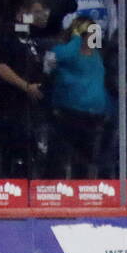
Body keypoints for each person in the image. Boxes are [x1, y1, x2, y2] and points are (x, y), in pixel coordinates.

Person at [0, 0, 49, 178]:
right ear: (21, 14)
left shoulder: (33, 38)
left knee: (31, 152)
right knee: (12, 151)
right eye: (36, 12)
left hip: (31, 107)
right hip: (12, 106)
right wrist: (25, 86)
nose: (41, 16)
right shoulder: (8, 35)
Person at [45, 15, 109, 179]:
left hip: (93, 115)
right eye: (90, 33)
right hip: (69, 113)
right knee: (60, 156)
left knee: (85, 160)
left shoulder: (96, 55)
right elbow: (50, 63)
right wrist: (75, 39)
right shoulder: (64, 51)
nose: (95, 37)